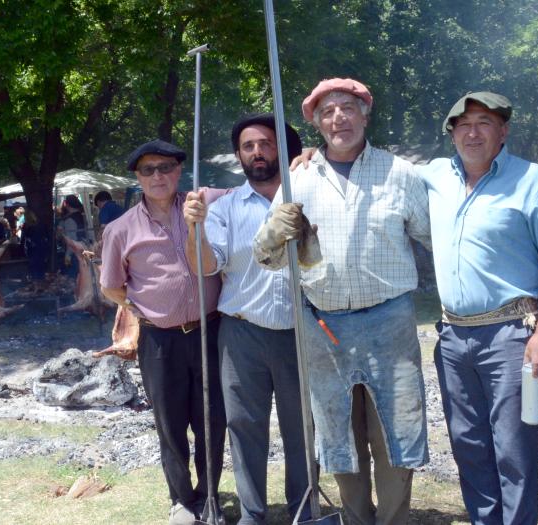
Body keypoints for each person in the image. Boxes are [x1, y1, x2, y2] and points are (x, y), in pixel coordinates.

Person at [254, 78, 431, 525]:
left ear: (365, 114)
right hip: (323, 324)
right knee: (337, 433)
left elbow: (433, 239)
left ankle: (393, 519)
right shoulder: (297, 179)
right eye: (327, 111)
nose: (339, 118)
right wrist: (277, 233)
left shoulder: (400, 173)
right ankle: (355, 518)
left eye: (348, 108)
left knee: (395, 429)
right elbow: (269, 258)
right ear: (315, 122)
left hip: (390, 321)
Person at [420, 92, 538, 525]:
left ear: (503, 130)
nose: (472, 132)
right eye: (462, 124)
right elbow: (372, 172)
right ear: (451, 134)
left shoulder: (532, 180)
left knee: (514, 448)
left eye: (484, 122)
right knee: (467, 445)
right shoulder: (432, 176)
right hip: (451, 337)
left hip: (512, 335)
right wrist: (312, 155)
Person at [183, 114, 309, 525]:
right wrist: (194, 229)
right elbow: (204, 266)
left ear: (282, 149)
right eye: (248, 146)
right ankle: (253, 515)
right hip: (241, 334)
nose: (257, 152)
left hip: (300, 333)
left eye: (266, 143)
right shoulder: (224, 208)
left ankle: (304, 511)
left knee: (303, 431)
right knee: (244, 429)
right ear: (238, 155)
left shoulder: (307, 193)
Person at [99, 139, 228, 525]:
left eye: (166, 167)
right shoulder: (120, 229)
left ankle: (209, 497)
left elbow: (255, 189)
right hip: (160, 340)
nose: (158, 176)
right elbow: (110, 286)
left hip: (210, 332)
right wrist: (142, 308)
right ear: (137, 178)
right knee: (170, 424)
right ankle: (181, 501)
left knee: (212, 421)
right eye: (148, 170)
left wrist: (301, 159)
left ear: (178, 171)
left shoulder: (203, 203)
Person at [58, 195, 88, 275]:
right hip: (86, 249)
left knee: (74, 278)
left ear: (67, 205)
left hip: (75, 253)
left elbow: (71, 239)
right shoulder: (83, 216)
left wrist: (68, 255)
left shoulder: (69, 220)